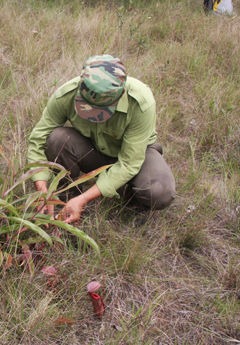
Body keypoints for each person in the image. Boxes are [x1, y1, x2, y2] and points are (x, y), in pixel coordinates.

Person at [27, 55, 176, 224]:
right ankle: (68, 195)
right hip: (94, 150)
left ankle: (132, 202)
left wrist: (84, 199)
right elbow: (38, 140)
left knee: (160, 191)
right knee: (57, 139)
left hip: (136, 155)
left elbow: (129, 162)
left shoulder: (141, 102)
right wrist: (41, 189)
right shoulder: (66, 94)